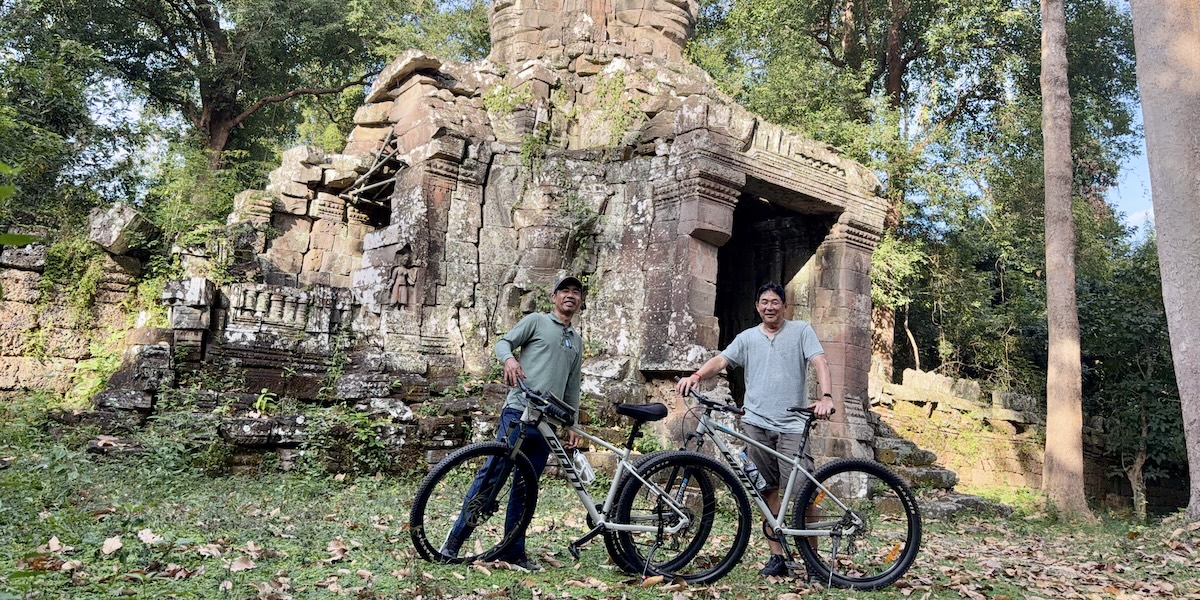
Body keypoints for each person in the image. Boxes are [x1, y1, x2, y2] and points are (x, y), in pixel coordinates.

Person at [674, 281, 834, 577]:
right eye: (764, 302)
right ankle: (778, 558)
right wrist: (696, 376)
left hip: (792, 425)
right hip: (755, 425)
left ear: (784, 306)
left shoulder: (801, 331)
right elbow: (722, 359)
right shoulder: (747, 338)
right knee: (765, 490)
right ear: (757, 306)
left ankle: (814, 562)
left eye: (775, 302)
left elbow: (820, 362)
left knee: (804, 494)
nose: (769, 307)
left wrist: (825, 396)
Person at [440, 276, 585, 571]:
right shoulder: (536, 321)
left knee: (525, 487)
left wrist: (572, 423)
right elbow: (504, 343)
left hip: (549, 424)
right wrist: (509, 361)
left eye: (576, 292)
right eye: (565, 291)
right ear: (554, 297)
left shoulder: (576, 341)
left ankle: (512, 551)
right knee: (493, 477)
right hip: (519, 412)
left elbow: (572, 386)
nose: (570, 296)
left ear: (580, 302)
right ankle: (452, 543)